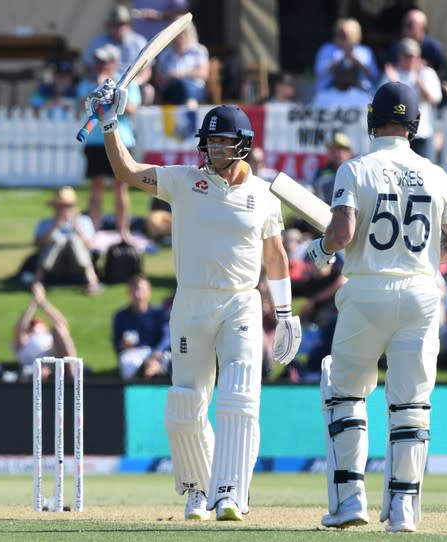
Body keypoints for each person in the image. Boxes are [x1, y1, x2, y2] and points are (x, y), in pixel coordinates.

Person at [85, 80, 301, 521]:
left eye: (224, 143)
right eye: (211, 143)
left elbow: (276, 256)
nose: (215, 151)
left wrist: (284, 314)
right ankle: (199, 491)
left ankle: (232, 493)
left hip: (240, 302)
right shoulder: (183, 181)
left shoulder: (263, 195)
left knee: (239, 395)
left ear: (244, 145)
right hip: (191, 303)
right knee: (185, 403)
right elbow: (126, 170)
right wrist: (111, 122)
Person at [305, 82, 447, 532]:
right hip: (421, 293)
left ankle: (350, 500)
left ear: (371, 120)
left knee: (345, 393)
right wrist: (416, 259)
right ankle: (403, 510)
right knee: (411, 404)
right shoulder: (437, 174)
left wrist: (320, 250)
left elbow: (341, 233)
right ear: (414, 124)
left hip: (367, 291)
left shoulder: (354, 169)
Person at [77, 44, 142, 236]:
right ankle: (94, 232)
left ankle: (124, 232)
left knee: (120, 186)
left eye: (104, 61)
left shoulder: (129, 82)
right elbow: (84, 107)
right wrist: (98, 90)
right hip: (96, 140)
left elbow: (132, 110)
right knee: (96, 186)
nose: (100, 65)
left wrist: (114, 98)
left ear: (114, 63)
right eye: (98, 62)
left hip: (121, 139)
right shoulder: (88, 83)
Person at [379, 37, 442, 160]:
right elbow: (381, 101)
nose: (411, 60)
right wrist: (393, 83)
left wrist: (421, 84)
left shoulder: (427, 73)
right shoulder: (391, 74)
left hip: (420, 132)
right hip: (395, 134)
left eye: (413, 56)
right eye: (407, 56)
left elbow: (435, 99)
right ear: (399, 56)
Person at [32, 186, 101, 296]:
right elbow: (37, 245)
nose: (63, 209)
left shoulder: (84, 221)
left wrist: (77, 228)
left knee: (73, 239)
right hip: (53, 266)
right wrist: (55, 227)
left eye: (67, 206)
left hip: (78, 265)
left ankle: (92, 282)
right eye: (60, 206)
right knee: (58, 240)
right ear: (54, 207)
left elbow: (92, 246)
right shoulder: (45, 223)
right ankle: (37, 281)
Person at [83, 5, 153, 105]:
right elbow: (87, 66)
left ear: (128, 25)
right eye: (115, 24)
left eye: (122, 24)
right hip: (104, 82)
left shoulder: (139, 42)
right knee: (87, 89)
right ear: (109, 25)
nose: (119, 28)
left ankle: (138, 118)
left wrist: (135, 83)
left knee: (148, 91)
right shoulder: (98, 41)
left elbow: (147, 70)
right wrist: (104, 77)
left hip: (130, 83)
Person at [13, 282, 79, 380]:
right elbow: (20, 328)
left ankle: (71, 373)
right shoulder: (25, 340)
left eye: (37, 323)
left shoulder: (49, 336)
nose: (33, 325)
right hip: (35, 367)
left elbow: (62, 323)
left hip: (58, 359)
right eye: (31, 324)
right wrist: (34, 302)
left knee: (58, 329)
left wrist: (43, 302)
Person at [112, 274, 169, 380]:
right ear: (129, 292)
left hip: (156, 352)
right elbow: (116, 342)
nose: (138, 294)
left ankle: (151, 375)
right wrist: (122, 346)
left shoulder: (159, 314)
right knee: (127, 362)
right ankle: (140, 380)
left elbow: (166, 337)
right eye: (134, 290)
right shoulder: (121, 316)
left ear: (149, 291)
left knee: (170, 362)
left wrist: (157, 352)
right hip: (134, 354)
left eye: (142, 290)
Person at [314, 18, 379, 95]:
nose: (340, 38)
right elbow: (319, 72)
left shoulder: (365, 51)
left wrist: (357, 62)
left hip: (362, 94)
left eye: (344, 35)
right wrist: (340, 59)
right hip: (329, 94)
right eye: (338, 34)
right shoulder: (327, 49)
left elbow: (375, 75)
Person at [153, 20, 209, 105]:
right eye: (177, 33)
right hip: (171, 88)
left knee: (189, 99)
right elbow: (158, 79)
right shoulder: (165, 54)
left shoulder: (198, 51)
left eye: (183, 32)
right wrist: (170, 76)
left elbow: (203, 73)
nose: (180, 36)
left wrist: (182, 74)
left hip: (194, 88)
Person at [311, 131, 354, 206]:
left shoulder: (356, 172)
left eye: (341, 149)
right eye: (333, 149)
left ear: (349, 152)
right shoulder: (321, 172)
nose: (336, 153)